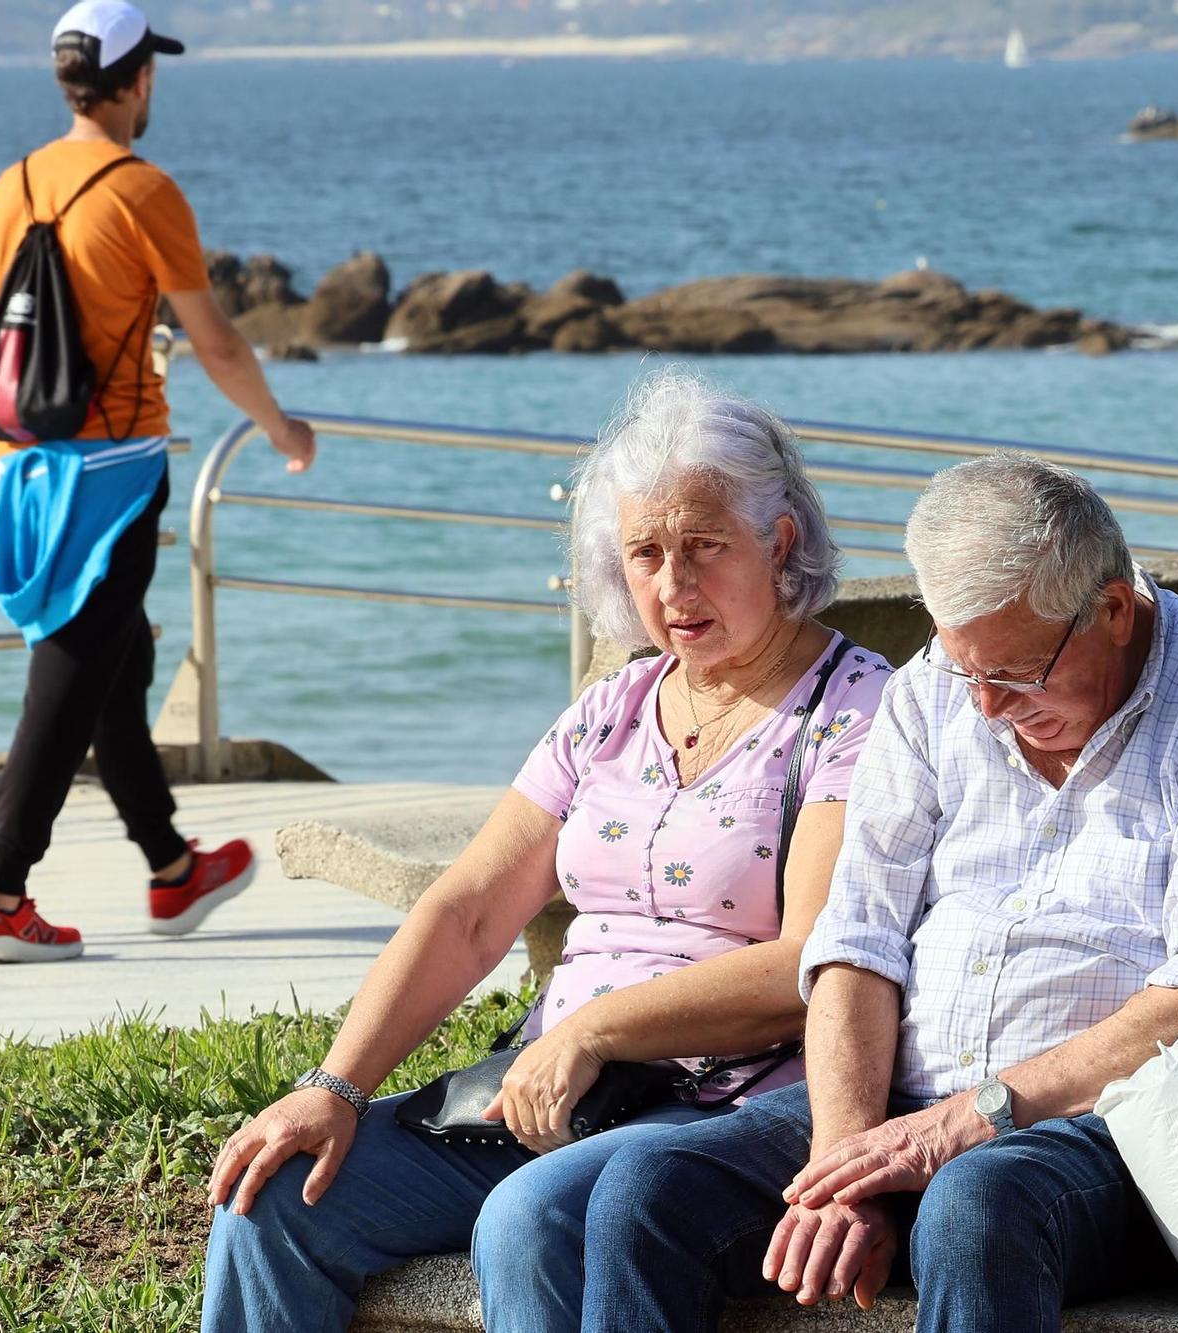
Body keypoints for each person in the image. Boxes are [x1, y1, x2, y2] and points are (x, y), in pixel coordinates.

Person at [198, 372, 895, 1333]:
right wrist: (334, 1085)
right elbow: (469, 909)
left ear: (779, 543)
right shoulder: (612, 708)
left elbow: (809, 962)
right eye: (645, 552)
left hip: (716, 1108)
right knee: (276, 1193)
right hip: (543, 1092)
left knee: (534, 1218)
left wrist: (591, 1030)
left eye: (704, 546)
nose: (673, 584)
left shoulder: (854, 711)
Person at [572, 453, 1178, 1332]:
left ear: (1113, 611)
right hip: (906, 1104)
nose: (985, 708)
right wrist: (847, 1167)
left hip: (1123, 1128)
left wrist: (971, 1121)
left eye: (1014, 674)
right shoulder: (935, 689)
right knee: (647, 1192)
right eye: (964, 667)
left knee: (974, 1203)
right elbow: (859, 940)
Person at [0, 1, 317, 962]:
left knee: (116, 663)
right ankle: (0, 893)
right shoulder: (142, 190)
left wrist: (4, 465)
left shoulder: (10, 186)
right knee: (70, 673)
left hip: (25, 469)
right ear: (137, 79)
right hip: (112, 471)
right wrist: (282, 429)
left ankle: (171, 866)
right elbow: (219, 341)